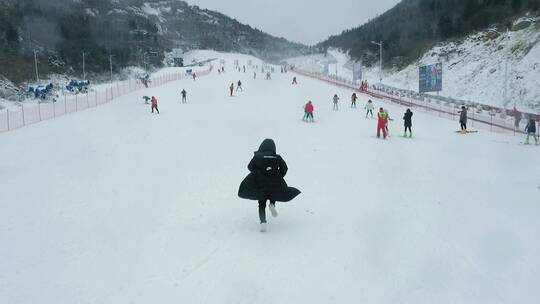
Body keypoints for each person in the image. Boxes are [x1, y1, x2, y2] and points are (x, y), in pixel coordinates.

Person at [238, 139, 301, 232]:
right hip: (275, 180)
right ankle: (272, 204)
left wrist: (257, 172)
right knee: (273, 192)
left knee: (261, 202)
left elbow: (249, 167)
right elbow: (285, 168)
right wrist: (278, 176)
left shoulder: (258, 156)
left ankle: (263, 222)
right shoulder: (277, 157)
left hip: (261, 182)